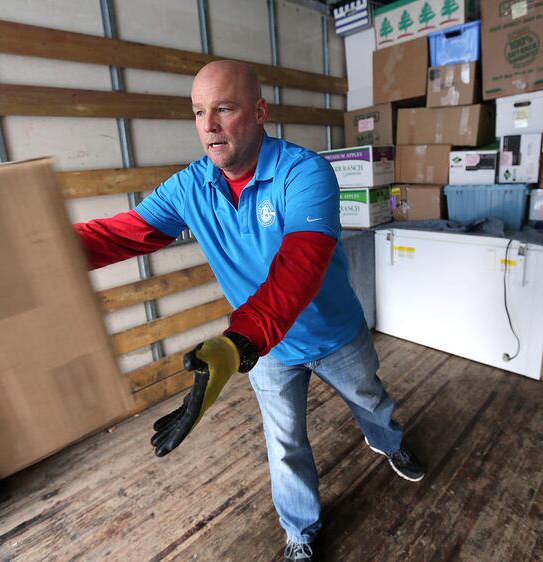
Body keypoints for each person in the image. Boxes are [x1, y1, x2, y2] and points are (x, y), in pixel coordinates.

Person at [73, 60, 424, 562]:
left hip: (331, 335)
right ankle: (301, 533)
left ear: (259, 112)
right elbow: (121, 234)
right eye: (198, 113)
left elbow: (299, 266)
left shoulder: (305, 173)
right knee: (284, 445)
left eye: (224, 109)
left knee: (372, 402)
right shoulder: (190, 187)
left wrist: (240, 339)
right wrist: (44, 251)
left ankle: (389, 444)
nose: (209, 126)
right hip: (268, 350)